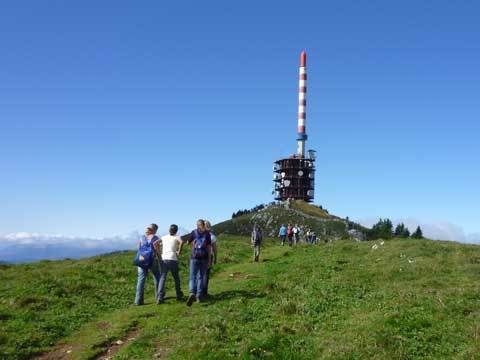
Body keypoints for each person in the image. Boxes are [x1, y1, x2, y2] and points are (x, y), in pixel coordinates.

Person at [186, 219, 212, 306]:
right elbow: (209, 248)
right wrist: (209, 260)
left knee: (192, 276)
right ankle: (198, 296)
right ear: (204, 225)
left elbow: (187, 243)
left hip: (194, 257)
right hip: (204, 258)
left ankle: (191, 293)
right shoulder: (207, 234)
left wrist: (192, 243)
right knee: (201, 277)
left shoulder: (193, 232)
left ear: (197, 225)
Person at [134, 224, 161, 305]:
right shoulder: (155, 238)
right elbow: (157, 250)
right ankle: (158, 297)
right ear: (155, 230)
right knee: (157, 277)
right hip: (151, 259)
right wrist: (160, 260)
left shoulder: (141, 237)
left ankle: (138, 301)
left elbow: (138, 248)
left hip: (141, 259)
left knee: (141, 280)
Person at [157, 224, 184, 303]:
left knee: (163, 277)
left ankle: (159, 297)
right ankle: (178, 294)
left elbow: (155, 243)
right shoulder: (177, 237)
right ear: (176, 230)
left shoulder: (164, 237)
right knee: (176, 277)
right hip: (173, 258)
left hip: (164, 258)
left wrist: (159, 253)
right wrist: (179, 252)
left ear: (169, 230)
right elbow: (182, 242)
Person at [203, 220, 217, 297]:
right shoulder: (212, 236)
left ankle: (197, 292)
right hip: (208, 256)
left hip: (198, 256)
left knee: (199, 274)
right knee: (206, 274)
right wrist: (215, 258)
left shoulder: (199, 235)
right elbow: (215, 249)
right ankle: (204, 293)